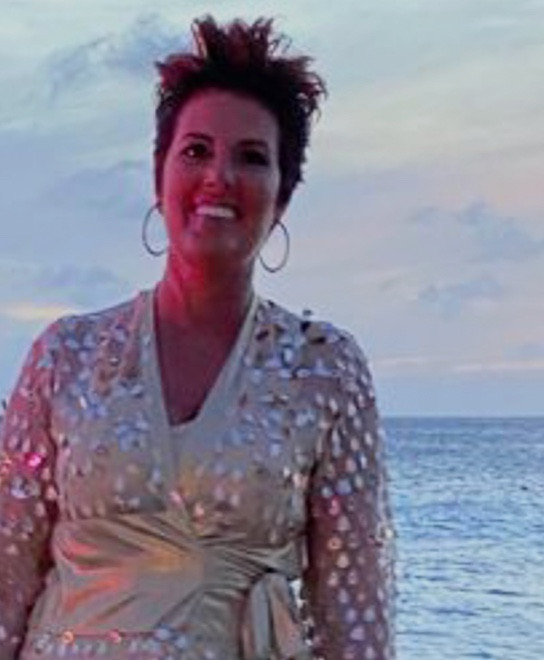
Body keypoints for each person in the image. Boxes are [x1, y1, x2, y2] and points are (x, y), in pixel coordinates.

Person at [0, 15, 395, 660]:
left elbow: (355, 619)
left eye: (252, 158)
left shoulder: (325, 370)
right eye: (196, 151)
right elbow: (7, 576)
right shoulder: (64, 357)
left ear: (282, 197)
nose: (219, 176)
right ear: (159, 177)